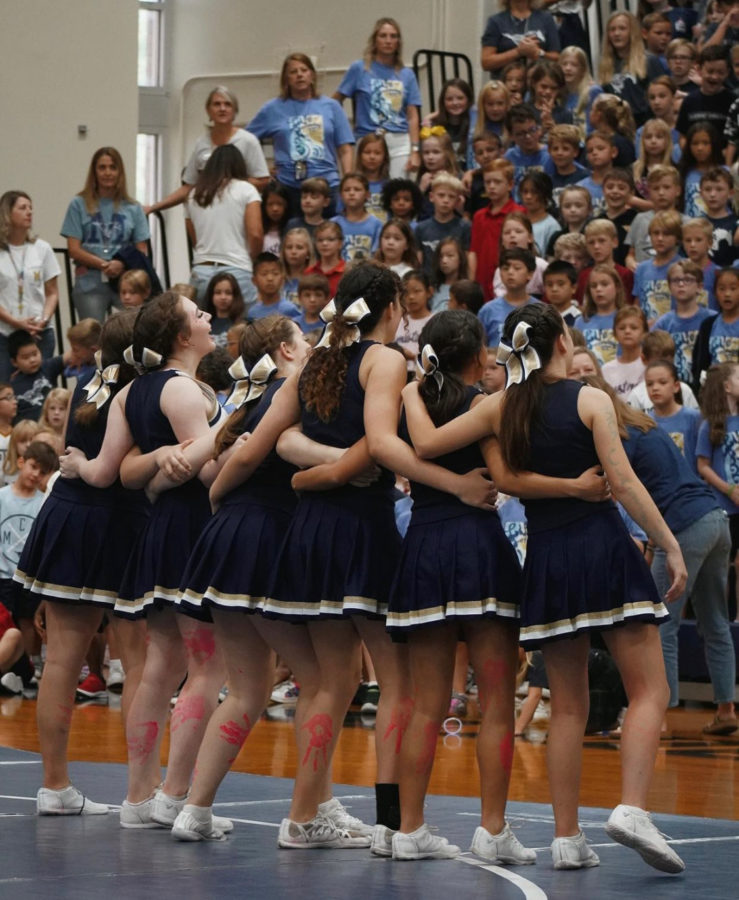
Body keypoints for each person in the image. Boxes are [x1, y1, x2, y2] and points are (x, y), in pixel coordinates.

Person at [208, 261, 497, 853]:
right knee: (400, 686)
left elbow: (262, 441)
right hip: (360, 526)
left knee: (334, 683)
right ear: (391, 305)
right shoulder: (384, 358)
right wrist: (453, 484)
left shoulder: (316, 358)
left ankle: (302, 815)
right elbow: (385, 443)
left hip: (312, 530)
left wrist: (310, 472)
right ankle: (394, 825)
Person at [401, 302, 687, 874]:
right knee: (650, 691)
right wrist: (669, 543)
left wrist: (412, 388)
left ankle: (565, 837)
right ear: (562, 342)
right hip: (603, 549)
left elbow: (427, 446)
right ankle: (631, 807)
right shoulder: (590, 398)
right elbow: (623, 483)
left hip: (547, 560)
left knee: (566, 709)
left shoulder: (501, 404)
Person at [58, 292, 228, 831]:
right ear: (181, 337)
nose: (207, 317)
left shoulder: (131, 390)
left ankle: (138, 796)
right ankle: (173, 796)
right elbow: (205, 473)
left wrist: (87, 464)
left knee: (160, 667)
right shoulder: (181, 388)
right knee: (207, 668)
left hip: (160, 533)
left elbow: (111, 472)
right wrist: (241, 436)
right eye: (198, 314)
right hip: (194, 532)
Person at [387, 310, 533, 864]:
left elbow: (406, 453)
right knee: (496, 700)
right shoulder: (479, 405)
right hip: (475, 549)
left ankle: (409, 828)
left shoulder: (409, 403)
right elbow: (502, 476)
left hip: (423, 548)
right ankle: (492, 830)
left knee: (426, 705)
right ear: (474, 357)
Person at [167, 316, 313, 840]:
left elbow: (226, 457)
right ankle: (312, 811)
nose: (312, 346)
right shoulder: (289, 389)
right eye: (305, 340)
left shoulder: (245, 393)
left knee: (247, 688)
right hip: (263, 540)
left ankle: (194, 809)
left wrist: (219, 497)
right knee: (321, 683)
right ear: (285, 350)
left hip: (229, 536)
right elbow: (255, 455)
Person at [15, 313, 148, 815]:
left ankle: (55, 786)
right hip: (112, 522)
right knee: (137, 660)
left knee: (63, 660)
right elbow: (121, 472)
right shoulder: (139, 394)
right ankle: (144, 791)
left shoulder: (84, 383)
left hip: (69, 516)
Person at [591, 374, 736, 738]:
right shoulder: (645, 425)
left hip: (685, 525)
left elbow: (617, 489)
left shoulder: (620, 438)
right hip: (715, 519)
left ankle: (661, 716)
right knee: (716, 622)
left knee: (660, 624)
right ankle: (726, 709)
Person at [249, 54, 355, 217]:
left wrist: (348, 183)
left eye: (304, 70)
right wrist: (261, 172)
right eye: (293, 72)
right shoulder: (272, 109)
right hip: (289, 188)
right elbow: (246, 141)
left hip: (327, 186)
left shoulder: (331, 106)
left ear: (312, 75)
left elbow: (345, 148)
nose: (299, 74)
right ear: (286, 79)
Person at [148, 85, 269, 215]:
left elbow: (263, 181)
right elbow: (189, 186)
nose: (222, 109)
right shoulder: (202, 143)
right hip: (207, 213)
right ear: (208, 110)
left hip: (239, 212)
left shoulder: (248, 141)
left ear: (235, 111)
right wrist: (153, 207)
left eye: (227, 104)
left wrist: (229, 182)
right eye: (217, 104)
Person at [61, 147, 149, 321]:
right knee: (93, 336)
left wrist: (120, 265)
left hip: (126, 280)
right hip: (89, 279)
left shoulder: (133, 207)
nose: (107, 173)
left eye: (112, 167)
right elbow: (73, 249)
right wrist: (104, 265)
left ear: (120, 172)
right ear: (94, 172)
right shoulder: (78, 204)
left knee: (135, 329)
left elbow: (141, 250)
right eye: (102, 167)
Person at [334, 18, 422, 178]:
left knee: (398, 192)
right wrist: (344, 131)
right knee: (365, 191)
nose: (388, 40)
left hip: (398, 140)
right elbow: (335, 101)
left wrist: (415, 150)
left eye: (393, 36)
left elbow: (412, 115)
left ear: (398, 42)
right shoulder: (359, 69)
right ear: (375, 40)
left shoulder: (407, 74)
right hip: (368, 139)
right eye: (383, 36)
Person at [185, 145, 263, 309]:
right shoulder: (247, 190)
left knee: (203, 327)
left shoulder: (194, 194)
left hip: (202, 270)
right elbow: (255, 234)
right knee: (244, 330)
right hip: (238, 269)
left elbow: (194, 237)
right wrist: (252, 257)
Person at [0, 191, 60, 382]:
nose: (29, 212)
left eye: (31, 208)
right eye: (23, 208)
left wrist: (43, 319)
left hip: (39, 334)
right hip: (6, 335)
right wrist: (16, 323)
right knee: (6, 391)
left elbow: (52, 293)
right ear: (7, 213)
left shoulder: (42, 249)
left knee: (40, 392)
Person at [480, 0, 561, 79]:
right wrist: (518, 52)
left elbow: (556, 58)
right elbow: (486, 62)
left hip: (539, 86)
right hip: (505, 85)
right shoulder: (495, 21)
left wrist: (538, 53)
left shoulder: (546, 19)